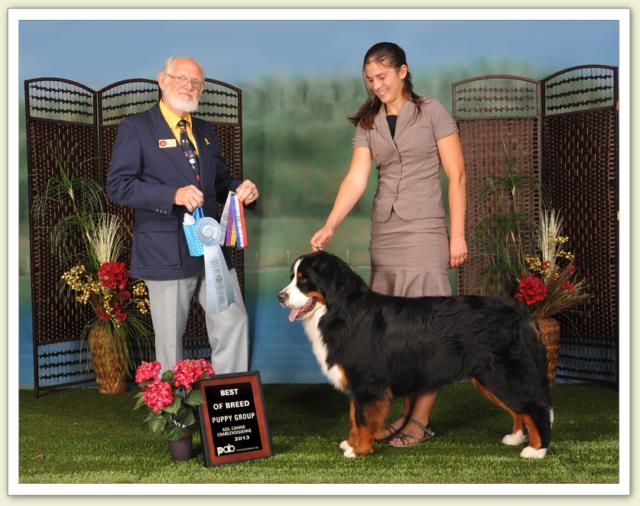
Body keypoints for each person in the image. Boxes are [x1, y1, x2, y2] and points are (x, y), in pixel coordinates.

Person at [310, 42, 468, 448]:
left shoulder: (433, 112)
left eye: (382, 76)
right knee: (393, 334)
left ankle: (420, 419)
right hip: (386, 235)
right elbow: (356, 180)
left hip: (427, 231)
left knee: (430, 330)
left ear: (403, 71)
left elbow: (458, 176)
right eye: (369, 79)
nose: (376, 85)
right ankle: (401, 414)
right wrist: (330, 224)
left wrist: (458, 234)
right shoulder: (367, 123)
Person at [107, 56, 259, 374]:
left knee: (233, 321)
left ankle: (229, 403)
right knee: (169, 341)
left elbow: (219, 180)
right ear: (161, 80)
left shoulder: (204, 131)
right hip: (165, 251)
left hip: (211, 249)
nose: (189, 87)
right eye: (181, 79)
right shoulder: (136, 128)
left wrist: (241, 189)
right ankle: (173, 418)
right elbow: (118, 186)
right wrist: (172, 195)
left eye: (196, 82)